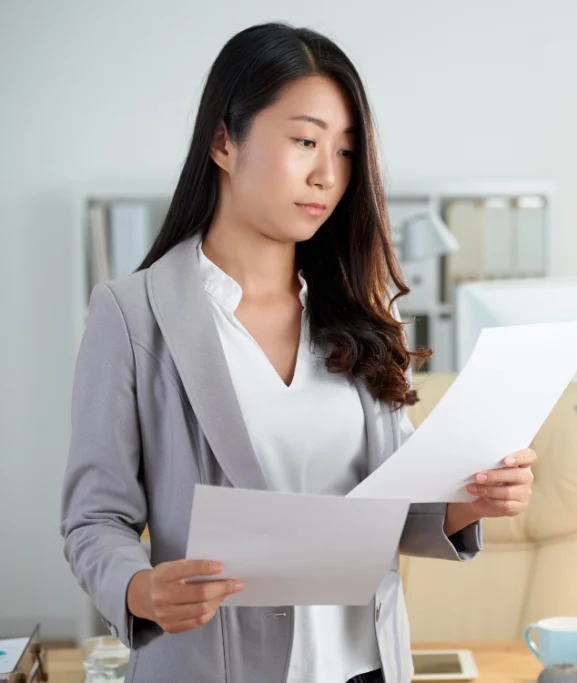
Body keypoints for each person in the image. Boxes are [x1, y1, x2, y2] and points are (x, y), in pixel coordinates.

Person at [59, 22, 535, 683]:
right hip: (212, 667)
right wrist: (141, 590)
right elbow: (94, 517)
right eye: (305, 141)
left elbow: (395, 505)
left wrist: (473, 499)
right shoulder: (132, 314)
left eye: (344, 152)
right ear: (223, 140)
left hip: (365, 666)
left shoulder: (365, 310)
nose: (326, 175)